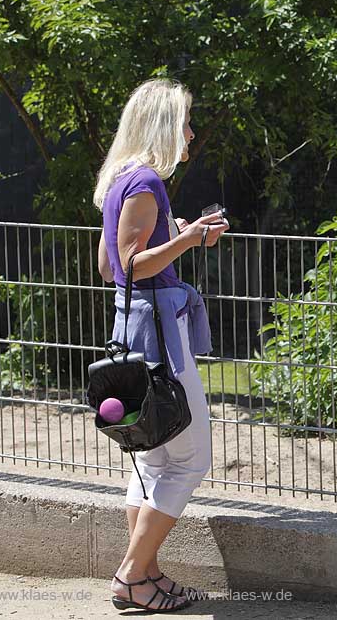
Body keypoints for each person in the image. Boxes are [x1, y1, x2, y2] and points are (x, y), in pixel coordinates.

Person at [93, 78, 228, 611]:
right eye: (186, 123)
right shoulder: (146, 181)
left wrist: (175, 234)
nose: (191, 134)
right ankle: (130, 574)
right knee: (192, 457)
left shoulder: (119, 181)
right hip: (161, 335)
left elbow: (106, 266)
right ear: (164, 125)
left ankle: (147, 577)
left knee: (153, 458)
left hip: (134, 328)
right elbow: (130, 265)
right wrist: (189, 238)